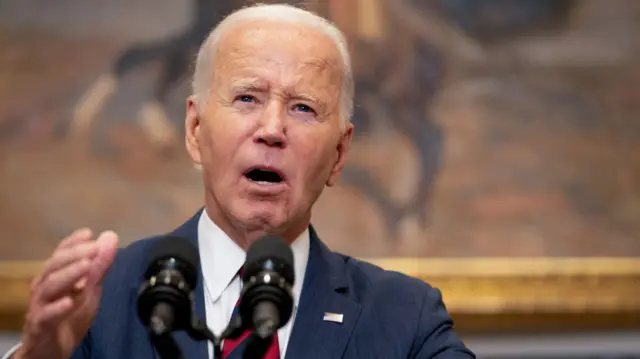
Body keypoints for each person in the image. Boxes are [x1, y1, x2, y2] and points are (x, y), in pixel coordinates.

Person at [4, 4, 475, 359]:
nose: (272, 129)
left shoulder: (405, 319)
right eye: (247, 98)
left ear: (339, 154)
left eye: (303, 108)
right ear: (194, 131)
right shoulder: (98, 304)